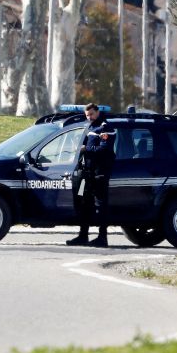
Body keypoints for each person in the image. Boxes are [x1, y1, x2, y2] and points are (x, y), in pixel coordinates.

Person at [67, 103, 116, 247]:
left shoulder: (105, 127)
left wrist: (85, 148)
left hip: (99, 173)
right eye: (87, 115)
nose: (89, 117)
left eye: (91, 114)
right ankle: (83, 236)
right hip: (86, 174)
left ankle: (102, 238)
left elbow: (104, 149)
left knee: (100, 204)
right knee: (84, 203)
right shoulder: (90, 127)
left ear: (97, 112)